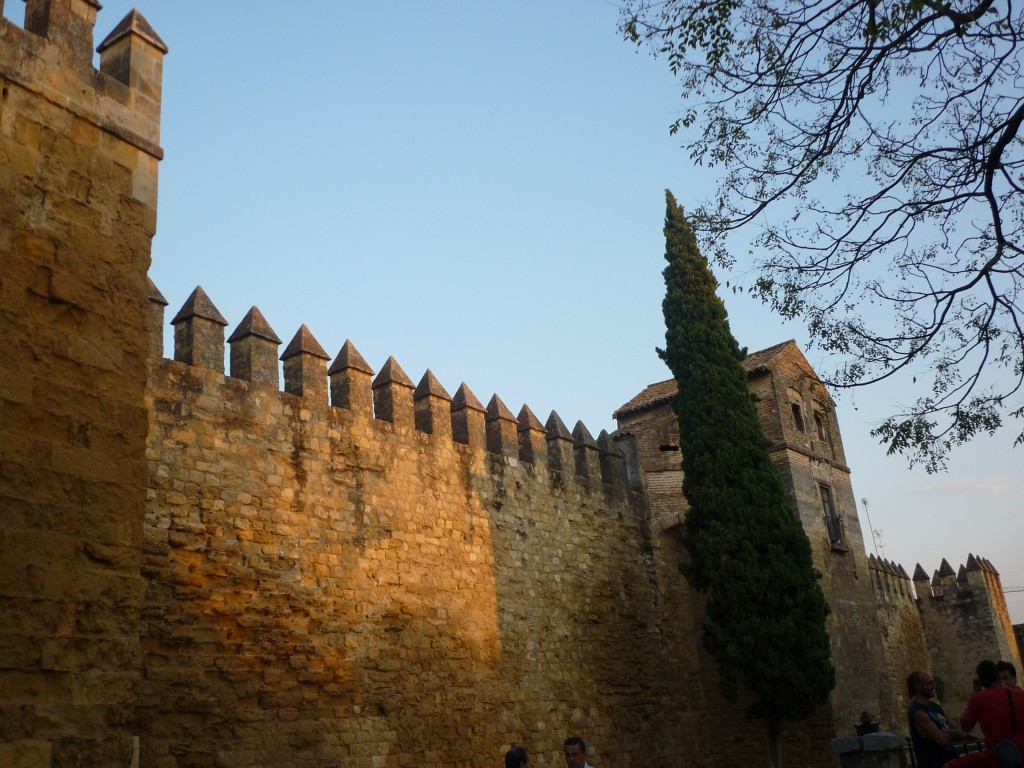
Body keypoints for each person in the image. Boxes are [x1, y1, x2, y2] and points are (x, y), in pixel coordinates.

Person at [949, 660, 1024, 768]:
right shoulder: (1021, 696)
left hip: (1001, 758)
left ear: (981, 681)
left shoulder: (978, 698)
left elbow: (965, 727)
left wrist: (976, 692)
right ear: (998, 677)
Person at [907, 670, 965, 768]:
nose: (934, 686)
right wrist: (951, 733)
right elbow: (943, 740)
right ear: (917, 686)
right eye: (929, 683)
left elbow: (961, 733)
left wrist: (945, 731)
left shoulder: (936, 707)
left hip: (952, 762)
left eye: (933, 682)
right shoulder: (918, 712)